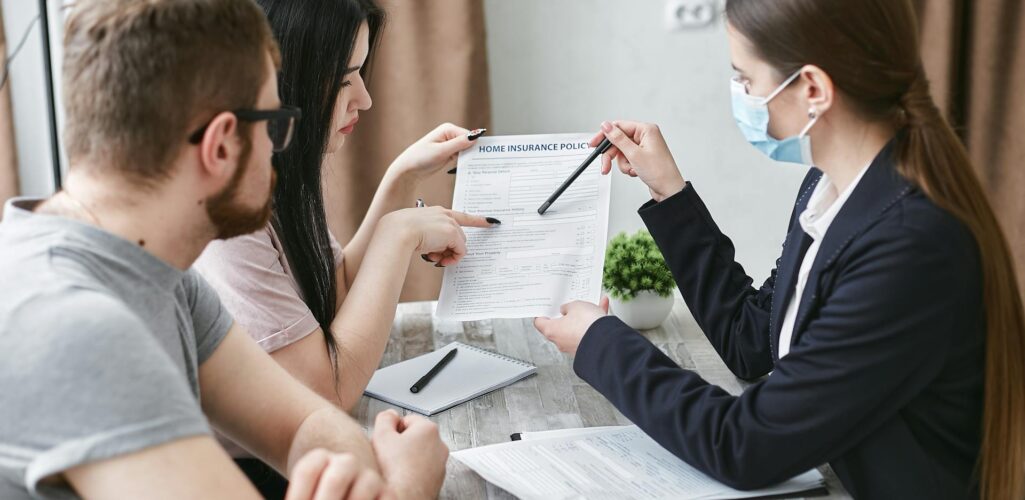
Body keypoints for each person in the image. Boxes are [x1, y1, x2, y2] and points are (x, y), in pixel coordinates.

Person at [533, 0, 1025, 498]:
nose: (741, 95)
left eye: (745, 79)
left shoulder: (910, 248)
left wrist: (601, 342)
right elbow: (751, 339)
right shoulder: (831, 187)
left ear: (812, 88)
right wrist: (668, 191)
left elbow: (744, 445)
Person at [0, 0, 454, 498]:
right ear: (221, 146)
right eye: (275, 124)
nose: (281, 148)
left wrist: (350, 464)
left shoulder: (167, 281)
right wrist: (409, 487)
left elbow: (308, 422)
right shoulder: (77, 329)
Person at [191, 0, 494, 493]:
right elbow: (325, 392)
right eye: (345, 78)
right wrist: (399, 236)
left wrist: (400, 179)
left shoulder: (280, 175)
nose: (366, 99)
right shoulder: (231, 223)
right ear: (288, 78)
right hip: (259, 474)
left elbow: (330, 299)